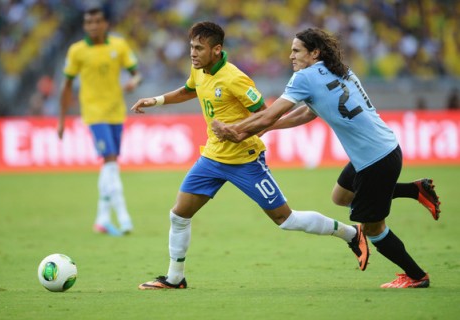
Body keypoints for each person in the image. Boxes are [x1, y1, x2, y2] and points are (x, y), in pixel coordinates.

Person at [131, 21, 369, 290]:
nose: (193, 53)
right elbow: (189, 89)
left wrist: (239, 133)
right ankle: (175, 278)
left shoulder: (235, 78)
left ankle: (350, 233)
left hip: (246, 161)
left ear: (217, 49)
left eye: (199, 48)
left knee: (286, 220)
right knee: (179, 215)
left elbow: (264, 115)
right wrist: (156, 100)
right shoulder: (199, 70)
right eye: (191, 47)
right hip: (212, 159)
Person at [212, 28, 441, 288]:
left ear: (314, 53)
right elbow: (308, 113)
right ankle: (415, 190)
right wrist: (267, 128)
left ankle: (415, 275)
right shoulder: (340, 69)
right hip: (381, 149)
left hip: (374, 161)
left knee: (373, 229)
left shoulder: (304, 78)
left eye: (296, 50)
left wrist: (237, 131)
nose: (291, 56)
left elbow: (268, 114)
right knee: (341, 197)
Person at [58, 7, 142, 236]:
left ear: (105, 24)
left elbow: (136, 72)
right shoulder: (77, 51)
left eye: (97, 21)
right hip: (94, 113)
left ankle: (102, 218)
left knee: (109, 165)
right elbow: (66, 86)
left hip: (116, 112)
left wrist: (134, 81)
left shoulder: (119, 46)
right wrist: (62, 119)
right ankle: (124, 217)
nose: (93, 26)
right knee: (111, 160)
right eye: (88, 22)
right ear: (85, 26)